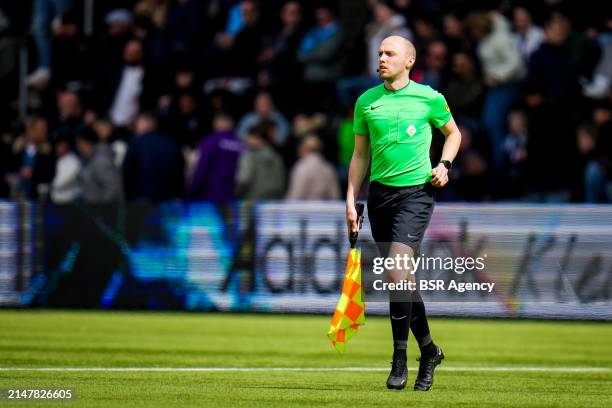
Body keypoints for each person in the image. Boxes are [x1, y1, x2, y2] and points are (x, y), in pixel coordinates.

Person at [346, 36, 461, 391]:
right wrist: (351, 199)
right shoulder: (366, 102)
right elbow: (360, 155)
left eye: (390, 53)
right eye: (379, 52)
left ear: (409, 60)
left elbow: (453, 133)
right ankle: (428, 350)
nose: (382, 58)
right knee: (403, 281)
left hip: (417, 194)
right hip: (380, 196)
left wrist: (445, 163)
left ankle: (399, 360)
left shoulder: (429, 98)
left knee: (397, 270)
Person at [285, 135, 340, 200]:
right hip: (324, 209)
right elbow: (335, 196)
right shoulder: (328, 168)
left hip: (304, 209)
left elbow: (295, 195)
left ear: (305, 149)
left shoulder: (301, 167)